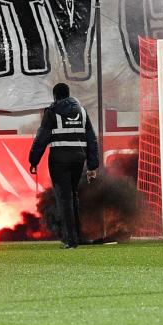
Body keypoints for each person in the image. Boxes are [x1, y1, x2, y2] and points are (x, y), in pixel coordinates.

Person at [28, 83, 99, 249]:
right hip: (78, 160)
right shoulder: (82, 111)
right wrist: (92, 165)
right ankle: (78, 236)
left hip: (59, 160)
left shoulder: (52, 112)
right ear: (68, 94)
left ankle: (70, 240)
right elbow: (91, 139)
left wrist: (33, 160)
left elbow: (41, 138)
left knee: (64, 198)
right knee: (73, 196)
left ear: (55, 96)